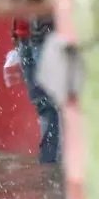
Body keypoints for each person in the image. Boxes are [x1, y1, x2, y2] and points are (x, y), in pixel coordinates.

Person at [12, 15, 61, 164]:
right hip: (25, 40)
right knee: (42, 104)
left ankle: (55, 162)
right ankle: (49, 162)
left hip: (44, 38)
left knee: (54, 103)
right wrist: (16, 37)